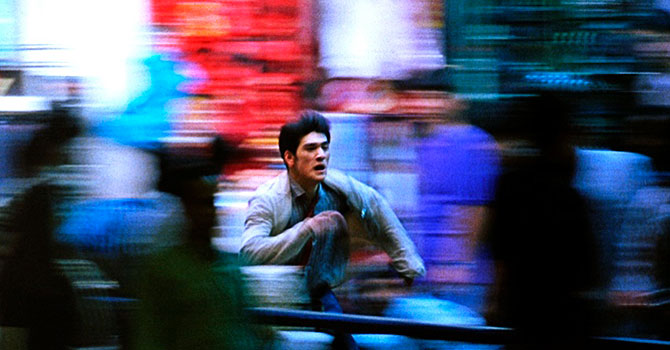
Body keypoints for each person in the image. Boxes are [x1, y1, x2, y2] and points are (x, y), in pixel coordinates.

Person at [239, 111, 425, 349]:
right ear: (289, 157)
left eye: (324, 148)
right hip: (273, 300)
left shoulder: (338, 185)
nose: (320, 156)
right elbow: (250, 253)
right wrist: (306, 229)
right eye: (310, 149)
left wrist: (407, 262)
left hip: (317, 292)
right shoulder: (267, 199)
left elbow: (376, 206)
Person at [133, 144, 271, 350]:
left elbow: (250, 329)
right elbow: (151, 337)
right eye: (204, 203)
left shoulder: (230, 267)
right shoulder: (164, 270)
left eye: (213, 203)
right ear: (186, 208)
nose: (212, 212)